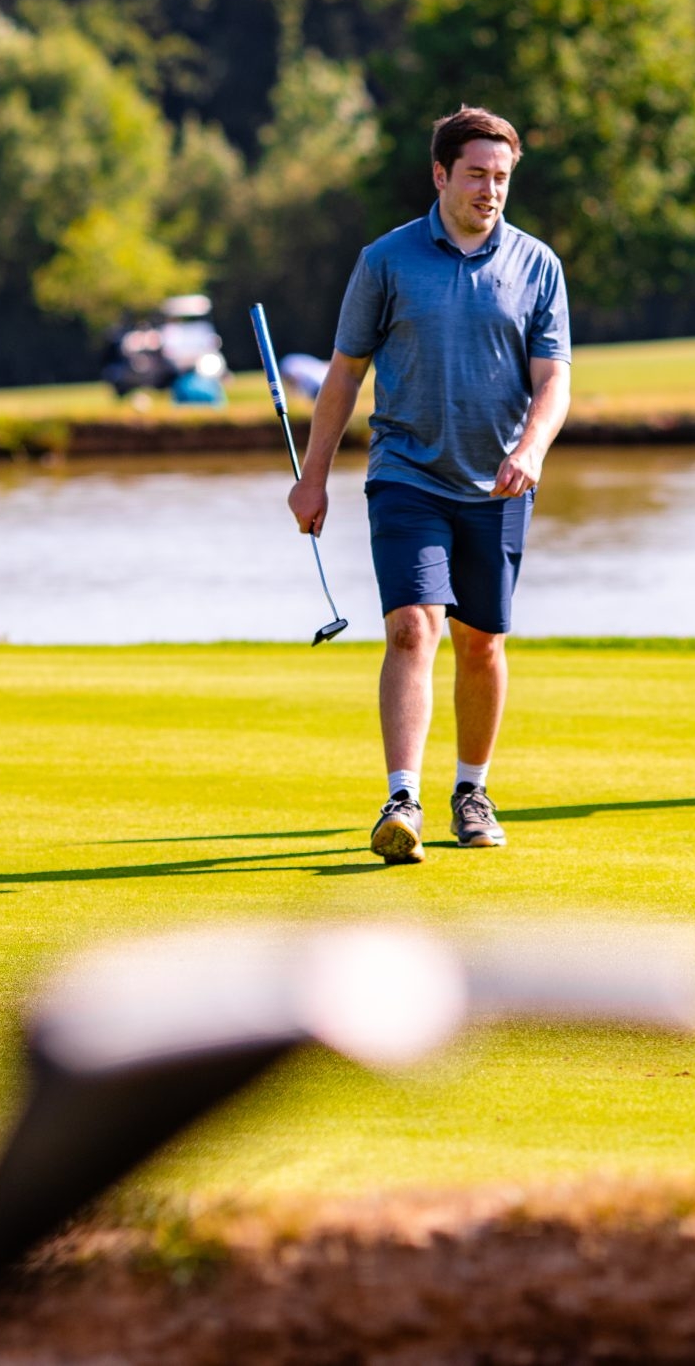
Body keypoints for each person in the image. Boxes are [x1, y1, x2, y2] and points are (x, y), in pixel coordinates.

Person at [287, 107, 573, 864]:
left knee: (481, 642)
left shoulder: (538, 265)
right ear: (441, 174)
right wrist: (312, 477)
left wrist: (532, 448)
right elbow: (345, 373)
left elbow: (554, 381)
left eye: (502, 177)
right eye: (477, 173)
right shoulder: (386, 260)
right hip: (407, 474)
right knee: (415, 625)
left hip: (501, 485)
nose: (491, 190)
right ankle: (401, 797)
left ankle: (471, 791)